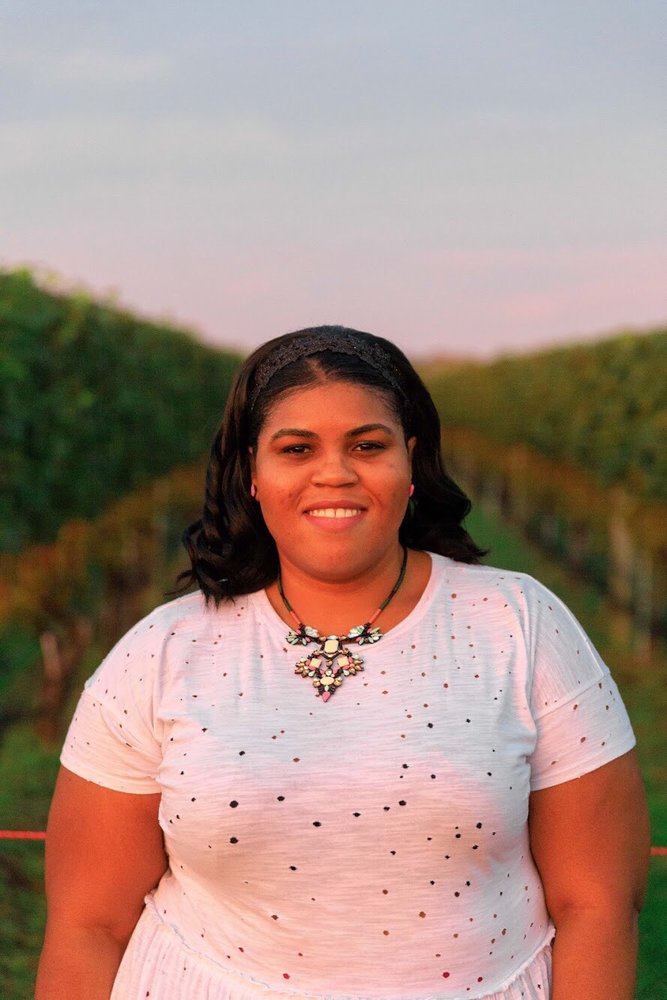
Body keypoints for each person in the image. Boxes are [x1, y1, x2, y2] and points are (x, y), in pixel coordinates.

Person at [36, 326, 649, 1000]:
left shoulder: (520, 625)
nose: (334, 473)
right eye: (296, 449)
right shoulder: (160, 653)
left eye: (367, 445)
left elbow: (597, 903)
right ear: (253, 473)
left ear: (410, 462)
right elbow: (89, 924)